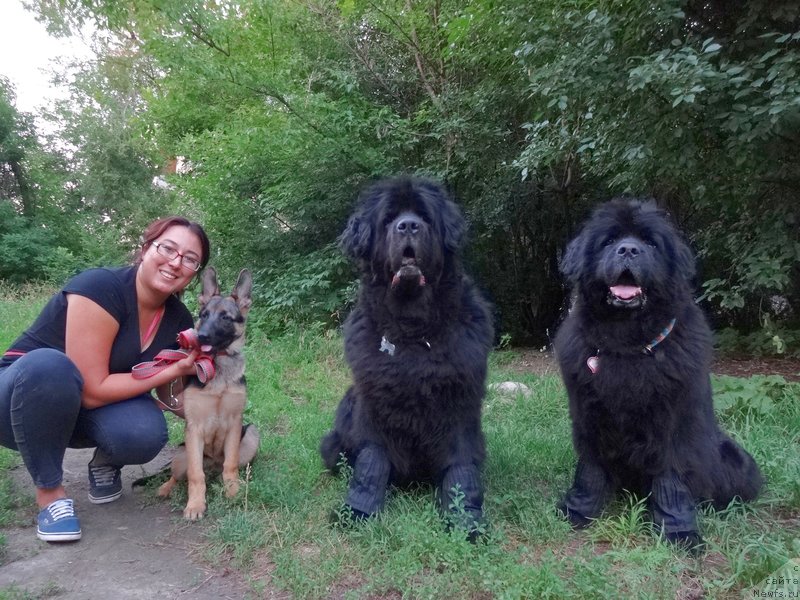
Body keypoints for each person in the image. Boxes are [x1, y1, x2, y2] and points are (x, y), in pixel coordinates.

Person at [0, 216, 210, 542]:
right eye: (168, 248)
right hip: (20, 402)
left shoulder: (178, 319)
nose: (175, 262)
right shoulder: (101, 287)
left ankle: (104, 462)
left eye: (189, 259)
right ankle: (51, 495)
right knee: (51, 365)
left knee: (146, 429)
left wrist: (217, 411)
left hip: (80, 409)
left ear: (194, 274)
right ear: (145, 249)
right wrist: (170, 371)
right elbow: (93, 390)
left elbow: (171, 396)